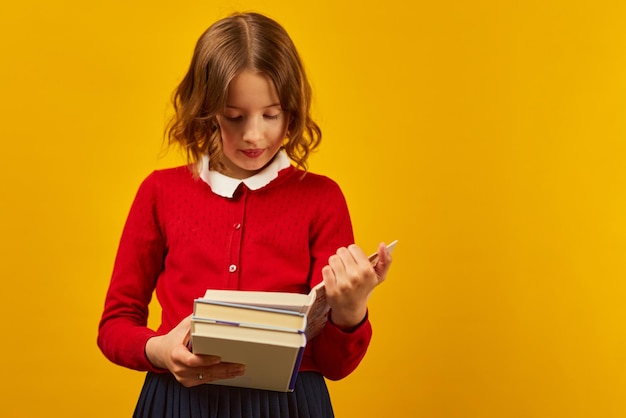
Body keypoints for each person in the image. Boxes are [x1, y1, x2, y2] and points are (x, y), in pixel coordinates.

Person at [97, 11, 393, 418]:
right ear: (206, 110)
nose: (254, 135)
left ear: (292, 109)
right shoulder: (160, 192)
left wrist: (350, 310)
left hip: (290, 407)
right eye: (235, 117)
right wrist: (160, 350)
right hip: (179, 404)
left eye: (271, 115)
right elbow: (115, 324)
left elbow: (337, 366)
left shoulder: (322, 198)